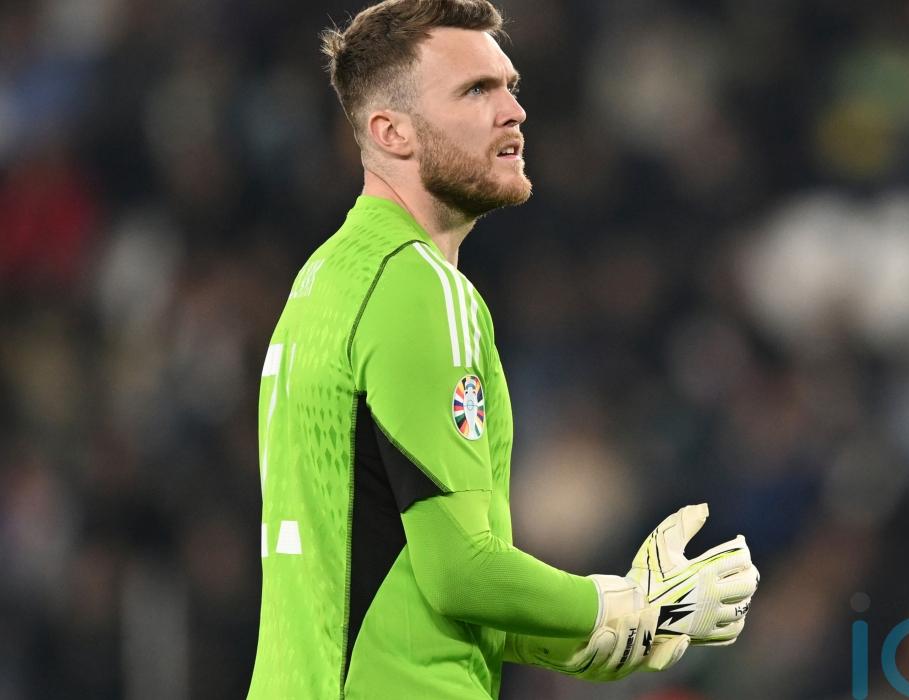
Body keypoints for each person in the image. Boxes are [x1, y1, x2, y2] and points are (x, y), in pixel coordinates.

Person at [247, 1, 759, 697]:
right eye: (475, 91)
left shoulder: (322, 282)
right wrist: (626, 607)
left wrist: (624, 628)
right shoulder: (420, 288)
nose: (513, 111)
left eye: (510, 86)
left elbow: (434, 583)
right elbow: (460, 573)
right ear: (392, 131)